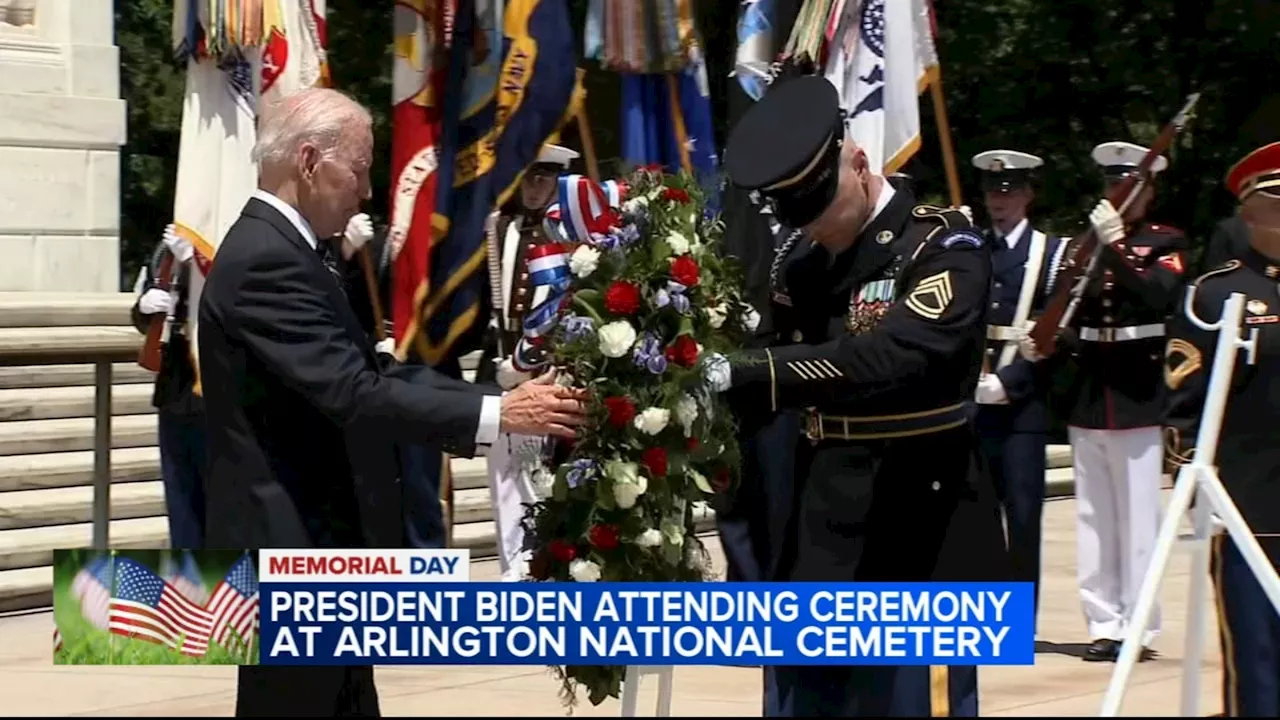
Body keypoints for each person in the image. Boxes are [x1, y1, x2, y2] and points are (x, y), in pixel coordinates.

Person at [196, 87, 588, 717]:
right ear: (308, 161)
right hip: (290, 563)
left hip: (325, 561)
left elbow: (380, 368)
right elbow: (354, 394)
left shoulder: (293, 252)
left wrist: (500, 402)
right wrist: (499, 415)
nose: (368, 190)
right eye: (359, 167)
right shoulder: (265, 259)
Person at [709, 74, 1010, 718]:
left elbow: (883, 358)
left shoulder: (944, 248)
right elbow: (764, 365)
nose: (815, 230)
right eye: (799, 218)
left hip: (920, 525)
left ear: (861, 165)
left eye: (822, 210)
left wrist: (747, 371)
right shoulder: (801, 260)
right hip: (819, 527)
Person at [1037, 140, 1189, 663]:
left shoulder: (1163, 241)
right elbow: (1067, 311)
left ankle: (1140, 626)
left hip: (1137, 394)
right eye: (1112, 184)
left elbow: (1157, 297)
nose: (1119, 193)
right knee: (1094, 519)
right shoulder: (1085, 244)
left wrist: (1117, 246)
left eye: (1129, 185)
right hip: (1089, 394)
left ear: (1148, 191)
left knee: (1138, 520)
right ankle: (1104, 622)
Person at [1165, 140, 1280, 717]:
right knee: (1256, 662)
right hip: (1251, 506)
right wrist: (1197, 487)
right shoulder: (1217, 294)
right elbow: (1183, 403)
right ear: (1250, 211)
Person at [969, 149, 1071, 631]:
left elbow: (1055, 334)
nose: (999, 200)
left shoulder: (1050, 255)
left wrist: (1009, 384)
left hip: (1023, 405)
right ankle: (988, 617)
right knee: (979, 516)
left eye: (1009, 190)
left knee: (1024, 515)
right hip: (973, 399)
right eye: (992, 190)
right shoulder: (969, 248)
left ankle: (1019, 622)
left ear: (1029, 194)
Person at [473, 142, 577, 581]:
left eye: (544, 179)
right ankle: (514, 574)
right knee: (505, 486)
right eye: (528, 178)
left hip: (556, 375)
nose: (534, 188)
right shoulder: (498, 228)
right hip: (505, 373)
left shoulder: (573, 232)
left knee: (554, 486)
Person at [129, 226, 206, 550]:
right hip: (175, 390)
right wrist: (144, 308)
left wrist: (197, 269)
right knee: (181, 504)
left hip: (217, 393)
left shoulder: (226, 245)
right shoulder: (166, 249)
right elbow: (145, 316)